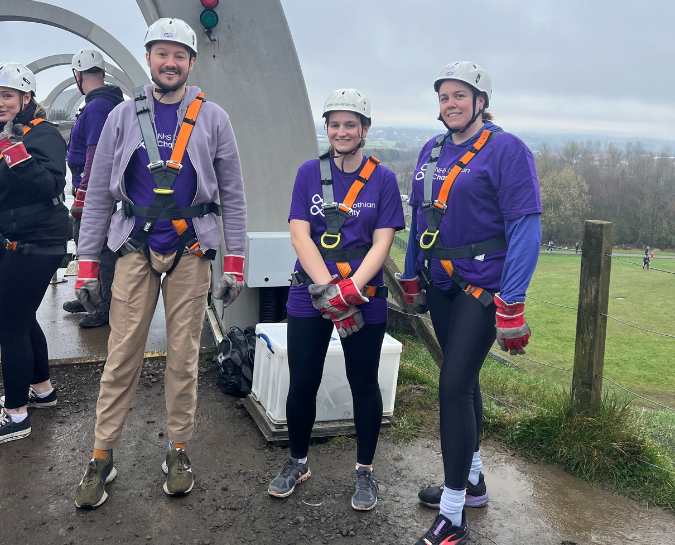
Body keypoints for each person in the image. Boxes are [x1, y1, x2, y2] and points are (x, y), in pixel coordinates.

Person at [73, 17, 247, 509]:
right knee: (121, 354)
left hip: (193, 247)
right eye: (161, 53)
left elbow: (232, 193)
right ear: (149, 59)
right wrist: (88, 262)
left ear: (191, 63)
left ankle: (178, 450)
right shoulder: (123, 117)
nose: (169, 62)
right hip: (134, 246)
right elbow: (101, 192)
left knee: (184, 355)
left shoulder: (213, 118)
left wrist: (234, 261)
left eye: (179, 55)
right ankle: (102, 455)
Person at [397, 61, 541, 544]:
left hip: (483, 287)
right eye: (443, 97)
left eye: (460, 95)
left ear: (480, 101)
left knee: (453, 384)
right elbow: (421, 215)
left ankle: (454, 512)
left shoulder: (507, 151)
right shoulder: (431, 150)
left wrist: (513, 302)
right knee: (463, 381)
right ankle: (473, 480)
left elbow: (525, 227)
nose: (450, 104)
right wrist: (412, 272)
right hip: (442, 283)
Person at [267, 89, 404, 511]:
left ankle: (364, 470)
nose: (341, 132)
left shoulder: (382, 179)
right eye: (335, 124)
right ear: (326, 128)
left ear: (364, 129)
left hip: (363, 293)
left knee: (363, 381)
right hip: (312, 289)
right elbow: (299, 232)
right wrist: (328, 286)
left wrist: (352, 289)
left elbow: (383, 242)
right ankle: (298, 461)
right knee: (303, 377)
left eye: (350, 124)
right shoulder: (309, 172)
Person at [0, 63, 69, 443]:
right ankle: (41, 390)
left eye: (7, 95)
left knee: (8, 324)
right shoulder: (4, 133)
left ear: (26, 98)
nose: (0, 103)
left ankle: (16, 415)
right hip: (16, 238)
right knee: (22, 318)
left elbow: (50, 184)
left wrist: (14, 152)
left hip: (38, 242)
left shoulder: (44, 135)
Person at [62, 49, 124, 328]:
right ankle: (91, 296)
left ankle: (103, 307)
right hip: (100, 192)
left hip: (95, 194)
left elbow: (96, 153)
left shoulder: (98, 107)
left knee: (99, 249)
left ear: (78, 75)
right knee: (93, 246)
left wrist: (83, 195)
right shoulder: (104, 103)